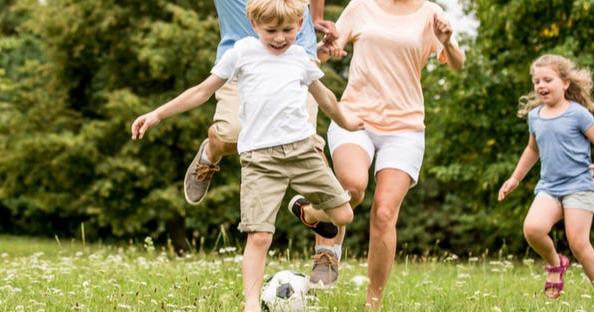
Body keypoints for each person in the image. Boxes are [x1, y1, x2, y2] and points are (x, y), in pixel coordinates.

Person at [130, 0, 363, 310]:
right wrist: (158, 114)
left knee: (344, 213)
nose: (279, 38)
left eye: (287, 30)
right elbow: (201, 91)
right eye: (271, 31)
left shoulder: (299, 57)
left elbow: (327, 98)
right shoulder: (242, 52)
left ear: (299, 26)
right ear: (254, 26)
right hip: (260, 160)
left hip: (300, 152)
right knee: (260, 236)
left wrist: (347, 122)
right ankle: (251, 304)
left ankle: (308, 213)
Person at [313, 0, 465, 309]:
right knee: (352, 187)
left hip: (405, 128)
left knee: (384, 213)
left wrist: (447, 42)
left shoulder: (431, 13)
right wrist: (325, 49)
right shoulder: (361, 6)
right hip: (354, 117)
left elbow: (457, 64)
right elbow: (326, 51)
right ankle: (328, 250)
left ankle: (374, 304)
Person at [188, 0, 345, 289]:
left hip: (296, 55)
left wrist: (316, 18)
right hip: (242, 60)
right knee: (230, 135)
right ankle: (211, 152)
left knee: (308, 143)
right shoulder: (242, 49)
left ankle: (326, 250)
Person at [497, 54, 594, 302]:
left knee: (579, 244)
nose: (541, 85)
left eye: (547, 79)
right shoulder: (535, 117)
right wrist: (515, 179)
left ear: (565, 83)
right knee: (533, 229)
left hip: (579, 185)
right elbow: (532, 150)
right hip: (549, 187)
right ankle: (555, 263)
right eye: (537, 81)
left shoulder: (578, 114)